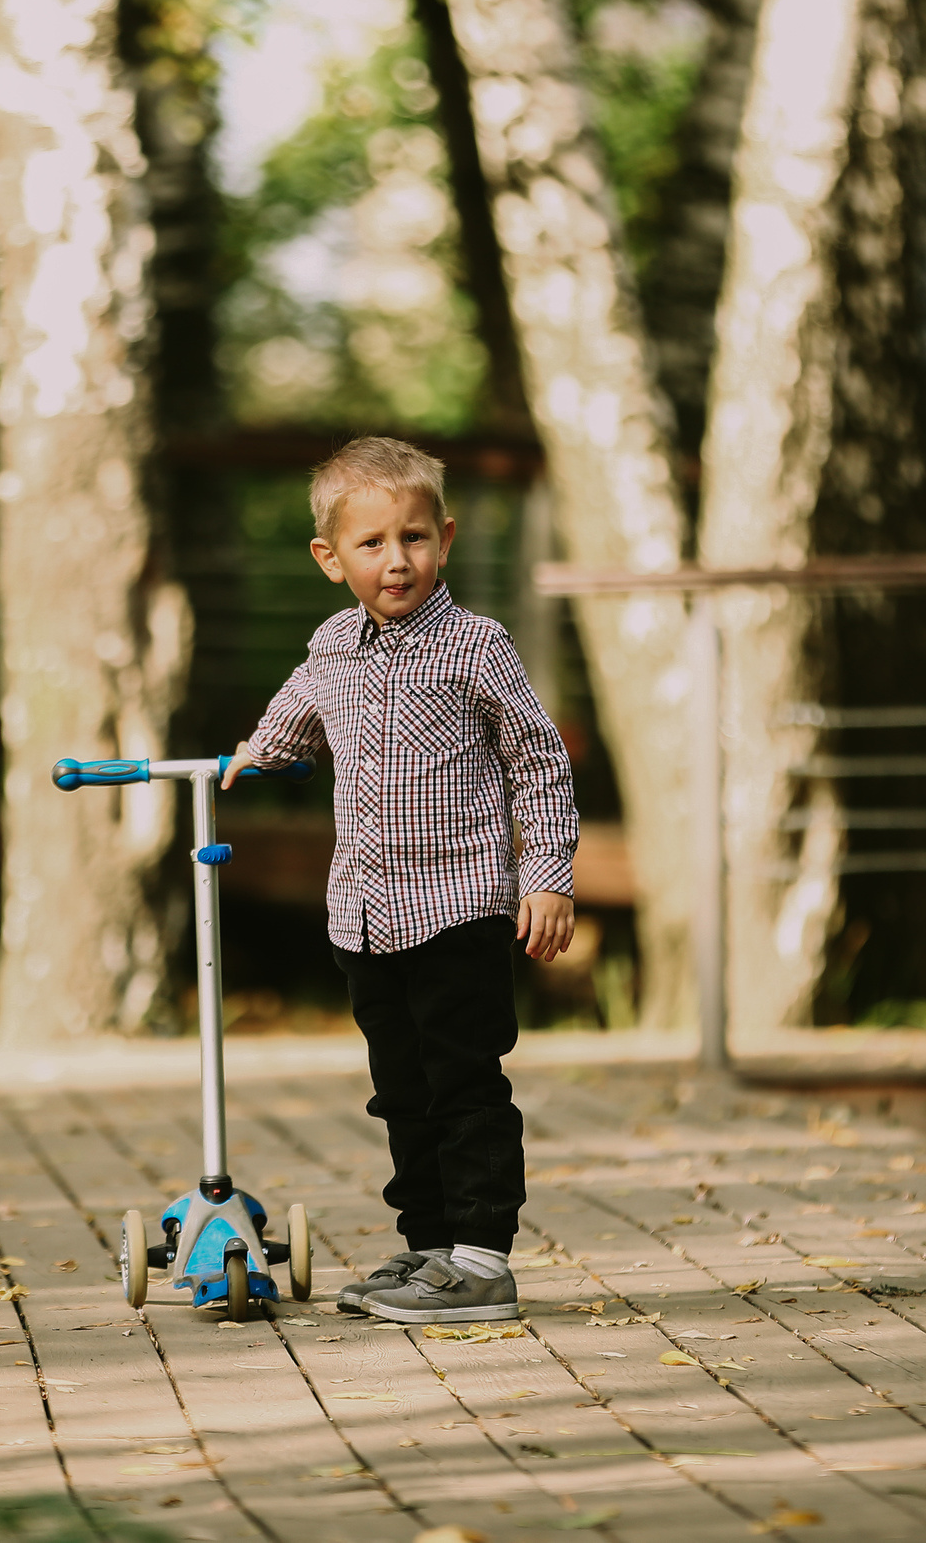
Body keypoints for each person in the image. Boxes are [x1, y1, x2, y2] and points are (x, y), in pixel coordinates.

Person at [224, 436, 578, 1324]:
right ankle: (428, 1247)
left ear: (445, 539)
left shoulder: (477, 645)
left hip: (459, 907)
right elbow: (296, 709)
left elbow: (540, 764)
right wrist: (253, 754)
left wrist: (548, 876)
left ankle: (481, 1255)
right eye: (372, 543)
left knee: (464, 1079)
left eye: (414, 538)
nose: (396, 560)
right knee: (402, 1087)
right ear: (330, 558)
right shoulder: (332, 643)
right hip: (366, 915)